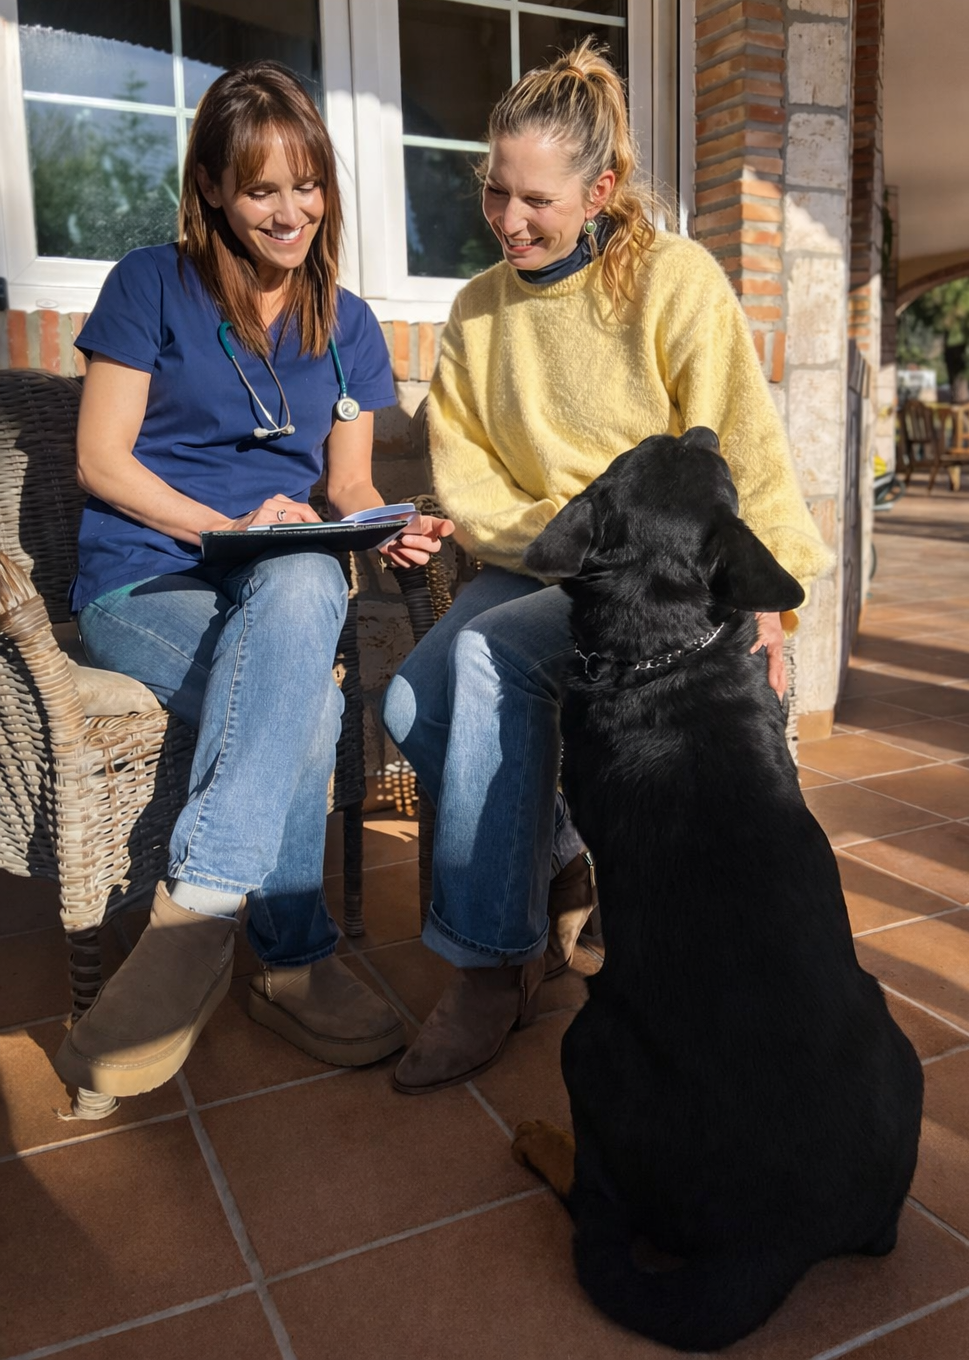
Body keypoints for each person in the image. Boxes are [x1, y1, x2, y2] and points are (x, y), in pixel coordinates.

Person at [382, 39, 834, 1096]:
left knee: (491, 659)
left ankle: (494, 966)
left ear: (602, 188)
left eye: (536, 199)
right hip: (545, 563)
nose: (508, 220)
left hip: (650, 584)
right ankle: (559, 862)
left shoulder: (674, 281)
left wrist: (772, 605)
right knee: (412, 699)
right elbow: (469, 475)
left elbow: (744, 450)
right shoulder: (476, 312)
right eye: (495, 191)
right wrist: (561, 535)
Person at [54, 60, 452, 1099]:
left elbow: (349, 483)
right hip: (146, 586)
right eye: (263, 188)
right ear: (217, 192)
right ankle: (289, 958)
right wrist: (231, 523)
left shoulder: (350, 323)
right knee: (309, 709)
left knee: (313, 574)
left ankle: (198, 908)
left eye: (308, 184)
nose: (291, 211)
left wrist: (386, 529)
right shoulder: (150, 282)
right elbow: (101, 460)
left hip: (277, 583)